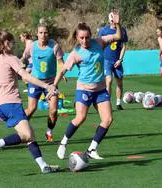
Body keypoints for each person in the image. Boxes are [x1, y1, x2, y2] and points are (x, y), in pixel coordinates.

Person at [0, 31, 60, 173]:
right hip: (12, 104)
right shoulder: (10, 58)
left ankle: (43, 166)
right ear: (7, 44)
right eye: (14, 42)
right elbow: (26, 76)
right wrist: (47, 86)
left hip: (1, 106)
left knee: (30, 136)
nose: (15, 45)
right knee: (26, 135)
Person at [55, 11, 122, 160]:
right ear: (77, 38)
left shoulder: (99, 42)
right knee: (80, 117)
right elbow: (63, 70)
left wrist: (117, 24)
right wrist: (53, 86)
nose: (85, 40)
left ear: (91, 35)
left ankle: (92, 149)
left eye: (87, 37)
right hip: (84, 89)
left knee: (108, 119)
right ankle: (63, 143)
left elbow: (118, 37)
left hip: (100, 89)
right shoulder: (75, 53)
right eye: (82, 38)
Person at [22, 23, 64, 142]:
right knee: (31, 109)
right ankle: (21, 128)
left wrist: (63, 72)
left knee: (54, 110)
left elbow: (61, 63)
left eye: (45, 32)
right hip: (35, 81)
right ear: (37, 34)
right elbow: (23, 58)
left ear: (48, 34)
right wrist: (23, 70)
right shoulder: (32, 46)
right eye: (40, 33)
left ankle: (49, 131)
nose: (43, 35)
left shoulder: (54, 46)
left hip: (51, 83)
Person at [99, 12, 128, 110]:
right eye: (112, 21)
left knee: (119, 82)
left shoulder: (122, 30)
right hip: (107, 60)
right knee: (109, 81)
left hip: (117, 61)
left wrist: (120, 59)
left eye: (115, 21)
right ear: (109, 20)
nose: (113, 23)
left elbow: (123, 46)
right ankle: (107, 104)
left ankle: (118, 103)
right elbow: (100, 46)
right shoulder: (104, 31)